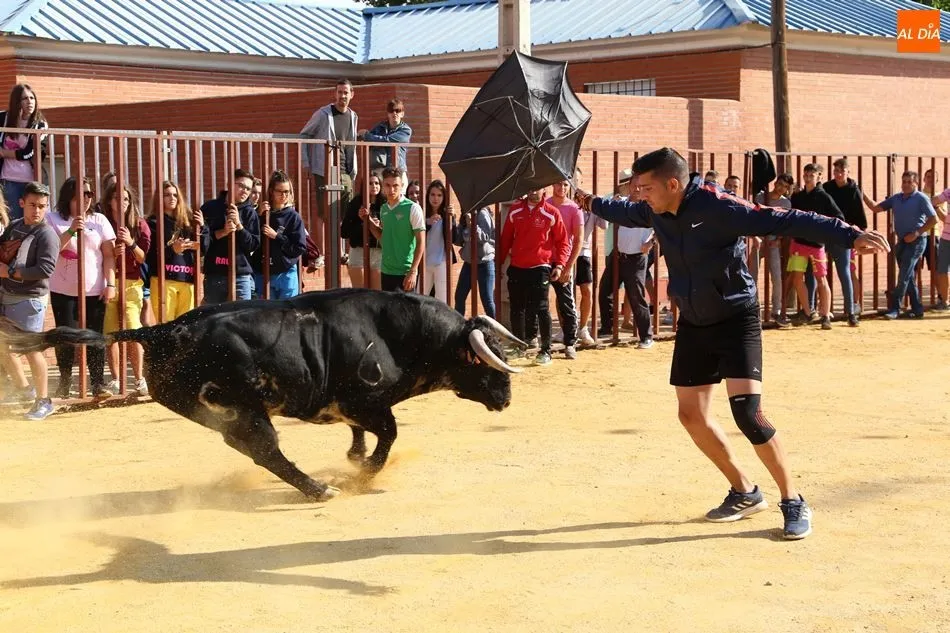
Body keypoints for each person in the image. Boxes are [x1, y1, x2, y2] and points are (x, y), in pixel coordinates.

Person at [574, 147, 890, 540]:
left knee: (748, 414)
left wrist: (850, 234)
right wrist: (583, 197)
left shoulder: (718, 206)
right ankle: (744, 490)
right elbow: (616, 209)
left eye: (646, 187)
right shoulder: (653, 209)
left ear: (673, 184)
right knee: (690, 415)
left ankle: (793, 500)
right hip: (693, 320)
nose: (640, 194)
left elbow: (786, 218)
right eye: (637, 188)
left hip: (735, 317)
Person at [47, 176, 117, 398]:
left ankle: (97, 383)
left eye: (89, 193)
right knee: (65, 336)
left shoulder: (99, 220)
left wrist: (111, 283)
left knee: (94, 337)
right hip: (63, 289)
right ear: (68, 195)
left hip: (95, 288)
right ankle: (65, 382)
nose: (86, 198)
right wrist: (70, 231)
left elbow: (108, 255)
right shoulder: (53, 218)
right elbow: (50, 250)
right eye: (81, 193)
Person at [0, 182, 58, 419]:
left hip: (30, 299)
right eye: (33, 205)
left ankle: (44, 401)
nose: (37, 210)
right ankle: (23, 390)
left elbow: (46, 269)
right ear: (22, 203)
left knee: (33, 350)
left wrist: (9, 272)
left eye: (42, 206)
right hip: (8, 295)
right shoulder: (13, 227)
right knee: (4, 346)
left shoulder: (47, 234)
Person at [497, 186, 569, 366]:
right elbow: (506, 239)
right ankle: (518, 346)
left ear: (544, 190)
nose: (533, 191)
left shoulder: (551, 213)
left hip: (540, 267)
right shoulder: (515, 210)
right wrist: (498, 263)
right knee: (516, 308)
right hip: (517, 267)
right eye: (530, 187)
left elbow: (563, 241)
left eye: (538, 188)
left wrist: (559, 265)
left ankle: (546, 351)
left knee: (542, 309)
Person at [863, 171, 937, 319]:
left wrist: (916, 233)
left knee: (903, 275)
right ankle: (917, 308)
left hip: (917, 241)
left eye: (909, 182)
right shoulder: (897, 198)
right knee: (907, 276)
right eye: (904, 181)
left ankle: (894, 308)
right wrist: (862, 194)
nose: (906, 185)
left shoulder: (921, 198)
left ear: (916, 183)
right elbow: (876, 208)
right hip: (902, 241)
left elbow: (933, 219)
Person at [300, 78, 358, 268]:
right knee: (322, 212)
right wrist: (307, 163)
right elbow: (304, 135)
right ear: (335, 94)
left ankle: (340, 251)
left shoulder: (353, 116)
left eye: (346, 92)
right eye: (340, 92)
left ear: (352, 94)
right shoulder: (323, 114)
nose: (343, 96)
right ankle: (321, 253)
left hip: (345, 171)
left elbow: (351, 143)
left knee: (343, 212)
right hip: (323, 169)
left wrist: (352, 169)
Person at [102, 183, 151, 396]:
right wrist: (111, 252)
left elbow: (143, 257)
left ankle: (139, 379)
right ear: (109, 200)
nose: (121, 202)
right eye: (116, 198)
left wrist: (131, 243)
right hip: (109, 281)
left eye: (125, 199)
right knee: (110, 333)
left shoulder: (139, 225)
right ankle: (115, 379)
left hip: (132, 282)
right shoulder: (103, 222)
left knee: (133, 330)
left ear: (130, 202)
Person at [788, 163, 845, 330]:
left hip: (816, 244)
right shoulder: (797, 197)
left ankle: (825, 315)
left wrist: (825, 232)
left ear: (819, 177)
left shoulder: (824, 197)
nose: (807, 178)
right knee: (798, 278)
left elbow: (838, 217)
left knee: (821, 279)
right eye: (805, 175)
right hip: (799, 243)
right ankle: (808, 311)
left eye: (811, 175)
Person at [199, 168, 261, 304]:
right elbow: (202, 244)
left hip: (241, 274)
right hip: (215, 272)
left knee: (242, 319)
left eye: (248, 189)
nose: (245, 191)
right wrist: (223, 232)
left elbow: (254, 245)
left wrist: (240, 227)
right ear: (229, 183)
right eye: (241, 186)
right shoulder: (210, 208)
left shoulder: (250, 213)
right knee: (213, 317)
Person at [361, 167, 425, 292]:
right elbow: (383, 237)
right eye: (388, 185)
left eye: (395, 185)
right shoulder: (384, 208)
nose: (391, 189)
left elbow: (421, 241)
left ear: (402, 186)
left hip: (405, 272)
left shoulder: (413, 208)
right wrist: (366, 219)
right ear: (383, 186)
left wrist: (413, 271)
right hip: (386, 271)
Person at [822, 158, 867, 326]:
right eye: (836, 172)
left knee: (845, 273)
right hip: (825, 233)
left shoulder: (853, 190)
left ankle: (850, 312)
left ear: (848, 172)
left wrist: (856, 234)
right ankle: (821, 312)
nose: (838, 175)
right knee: (819, 274)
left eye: (841, 171)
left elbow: (860, 219)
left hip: (843, 236)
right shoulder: (827, 188)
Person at [146, 180, 197, 322]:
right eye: (167, 195)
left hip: (187, 279)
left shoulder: (187, 222)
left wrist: (202, 228)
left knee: (186, 327)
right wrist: (171, 250)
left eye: (175, 195)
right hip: (164, 280)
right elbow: (149, 257)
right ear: (159, 198)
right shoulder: (152, 223)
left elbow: (203, 248)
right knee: (166, 326)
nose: (172, 198)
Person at [253, 170, 307, 300]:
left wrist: (277, 236)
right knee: (266, 313)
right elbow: (251, 238)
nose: (284, 195)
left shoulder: (293, 217)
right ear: (271, 191)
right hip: (262, 272)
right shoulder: (260, 213)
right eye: (280, 191)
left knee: (288, 313)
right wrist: (258, 216)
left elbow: (299, 248)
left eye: (287, 192)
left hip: (286, 271)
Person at [0, 84, 48, 221]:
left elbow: (30, 153)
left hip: (30, 181)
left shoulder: (40, 123)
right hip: (8, 180)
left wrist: (4, 152)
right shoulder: (3, 118)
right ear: (16, 101)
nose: (30, 102)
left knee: (32, 221)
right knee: (11, 221)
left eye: (32, 98)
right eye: (25, 98)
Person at [753, 173, 793, 324]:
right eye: (780, 183)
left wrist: (779, 240)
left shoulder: (786, 203)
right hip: (758, 238)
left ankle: (776, 310)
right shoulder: (761, 197)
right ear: (775, 183)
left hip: (773, 241)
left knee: (776, 276)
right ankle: (754, 308)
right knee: (752, 275)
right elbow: (753, 216)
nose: (781, 188)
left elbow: (786, 224)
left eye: (785, 186)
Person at [341, 170, 383, 290]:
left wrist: (379, 225)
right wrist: (361, 221)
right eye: (370, 183)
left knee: (377, 294)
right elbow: (344, 232)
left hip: (378, 252)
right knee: (359, 294)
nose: (374, 186)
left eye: (376, 183)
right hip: (359, 250)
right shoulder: (356, 203)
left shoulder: (384, 204)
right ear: (364, 186)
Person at [453, 206, 496, 318]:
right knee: (459, 296)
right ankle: (459, 326)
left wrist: (472, 225)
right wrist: (452, 221)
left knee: (487, 300)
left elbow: (485, 237)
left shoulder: (482, 213)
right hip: (469, 263)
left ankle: (495, 330)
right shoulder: (466, 212)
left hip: (484, 263)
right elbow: (458, 241)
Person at [422, 179, 456, 302]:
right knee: (420, 297)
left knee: (442, 299)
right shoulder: (421, 213)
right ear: (428, 195)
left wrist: (452, 219)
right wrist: (427, 223)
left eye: (439, 195)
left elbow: (455, 238)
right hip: (424, 262)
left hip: (441, 261)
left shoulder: (447, 215)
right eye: (432, 194)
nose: (435, 198)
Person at [361, 97, 412, 170]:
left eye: (397, 111)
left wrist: (366, 135)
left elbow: (387, 140)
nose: (394, 113)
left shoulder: (406, 130)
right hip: (380, 168)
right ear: (388, 114)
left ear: (402, 114)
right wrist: (364, 135)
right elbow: (369, 140)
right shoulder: (380, 126)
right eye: (391, 111)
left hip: (398, 169)